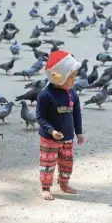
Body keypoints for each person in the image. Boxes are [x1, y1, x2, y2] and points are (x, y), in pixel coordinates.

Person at [36, 50, 85, 200]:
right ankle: (46, 187)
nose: (73, 80)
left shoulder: (72, 94)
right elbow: (40, 116)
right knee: (47, 164)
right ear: (58, 78)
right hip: (49, 139)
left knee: (66, 163)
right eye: (70, 77)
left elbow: (76, 114)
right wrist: (51, 131)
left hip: (67, 138)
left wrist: (79, 132)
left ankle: (64, 183)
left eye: (73, 76)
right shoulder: (45, 95)